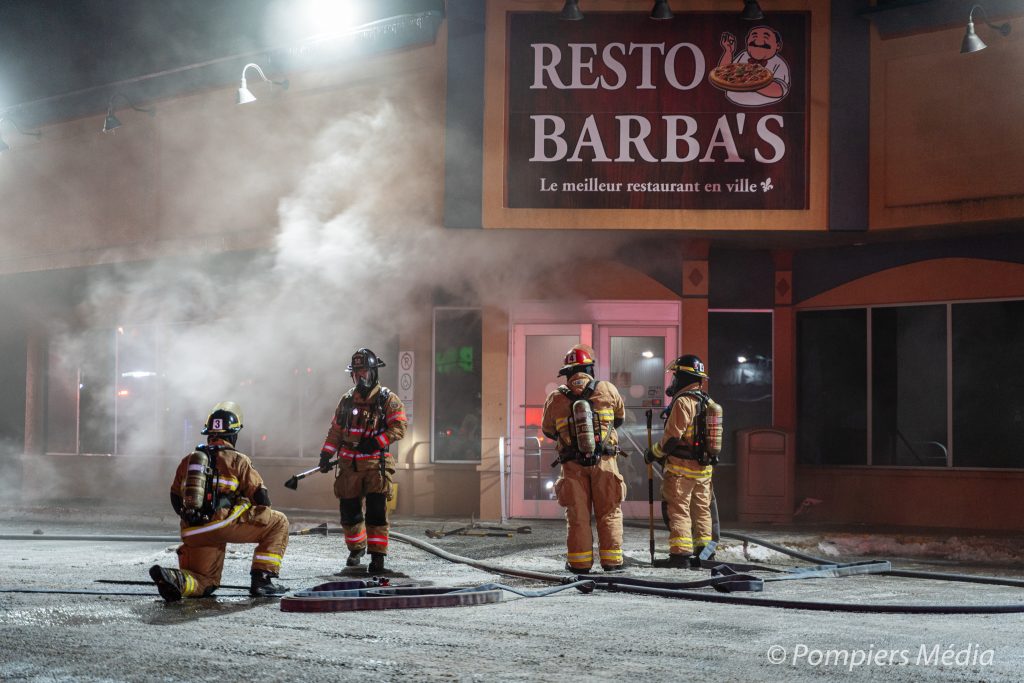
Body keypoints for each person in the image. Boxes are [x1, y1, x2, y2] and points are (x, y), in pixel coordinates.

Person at [149, 401, 289, 601]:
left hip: (192, 530)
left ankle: (175, 579)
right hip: (222, 524)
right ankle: (263, 580)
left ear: (209, 433)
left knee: (205, 581)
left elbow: (174, 497)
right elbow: (261, 498)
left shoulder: (188, 460)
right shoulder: (238, 460)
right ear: (233, 435)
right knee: (279, 522)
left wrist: (192, 518)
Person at [318, 348, 407, 574]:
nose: (360, 377)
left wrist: (377, 441)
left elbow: (399, 427)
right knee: (350, 513)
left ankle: (377, 557)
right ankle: (356, 549)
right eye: (356, 373)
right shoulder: (346, 400)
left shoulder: (387, 399)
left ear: (374, 372)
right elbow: (336, 431)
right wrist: (326, 454)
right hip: (349, 467)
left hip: (376, 466)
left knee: (376, 514)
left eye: (364, 371)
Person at [542, 344, 627, 573]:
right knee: (609, 512)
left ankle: (579, 564)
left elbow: (548, 431)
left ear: (567, 373)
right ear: (590, 369)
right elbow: (620, 418)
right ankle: (612, 562)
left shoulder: (555, 398)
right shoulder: (607, 389)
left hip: (572, 466)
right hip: (605, 463)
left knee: (578, 516)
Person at [646, 355, 715, 568]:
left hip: (680, 469)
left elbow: (672, 438)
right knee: (702, 510)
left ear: (684, 377)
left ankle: (680, 556)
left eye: (676, 376)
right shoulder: (708, 402)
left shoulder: (683, 402)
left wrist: (653, 453)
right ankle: (705, 555)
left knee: (678, 510)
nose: (673, 380)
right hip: (703, 470)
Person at [717, 25, 791, 107]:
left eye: (766, 37)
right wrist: (728, 51)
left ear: (778, 46)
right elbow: (724, 74)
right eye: (754, 36)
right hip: (732, 104)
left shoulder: (779, 63)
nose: (758, 41)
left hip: (767, 108)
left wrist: (748, 80)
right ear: (747, 42)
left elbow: (779, 90)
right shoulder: (743, 55)